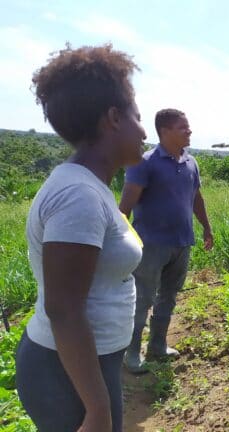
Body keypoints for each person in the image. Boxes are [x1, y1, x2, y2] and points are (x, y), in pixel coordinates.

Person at [16, 44, 146, 432]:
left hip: (83, 366)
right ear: (113, 119)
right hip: (64, 375)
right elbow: (64, 309)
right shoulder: (79, 196)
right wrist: (98, 408)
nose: (143, 132)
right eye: (137, 118)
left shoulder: (91, 188)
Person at [119, 108, 213, 373]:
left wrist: (206, 227)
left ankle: (157, 346)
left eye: (188, 126)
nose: (189, 131)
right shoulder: (145, 162)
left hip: (181, 242)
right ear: (165, 131)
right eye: (183, 127)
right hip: (150, 245)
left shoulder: (190, 162)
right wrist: (119, 242)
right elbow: (125, 207)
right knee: (143, 299)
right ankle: (132, 353)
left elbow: (196, 198)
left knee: (168, 297)